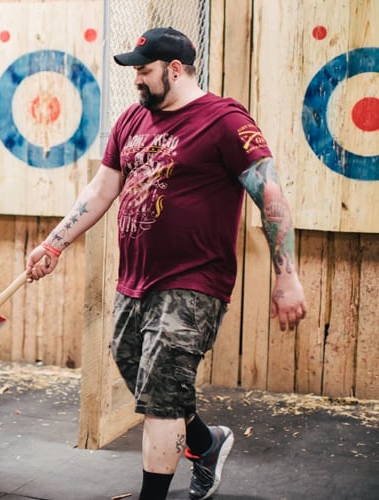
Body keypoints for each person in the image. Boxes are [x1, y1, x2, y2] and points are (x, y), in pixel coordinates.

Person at [26, 27, 306, 500]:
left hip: (194, 282)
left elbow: (271, 196)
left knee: (159, 400)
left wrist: (287, 275)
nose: (137, 81)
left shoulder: (224, 120)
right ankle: (206, 443)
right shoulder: (132, 121)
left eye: (144, 71)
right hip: (135, 281)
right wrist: (55, 242)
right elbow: (100, 191)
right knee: (149, 380)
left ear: (175, 70)